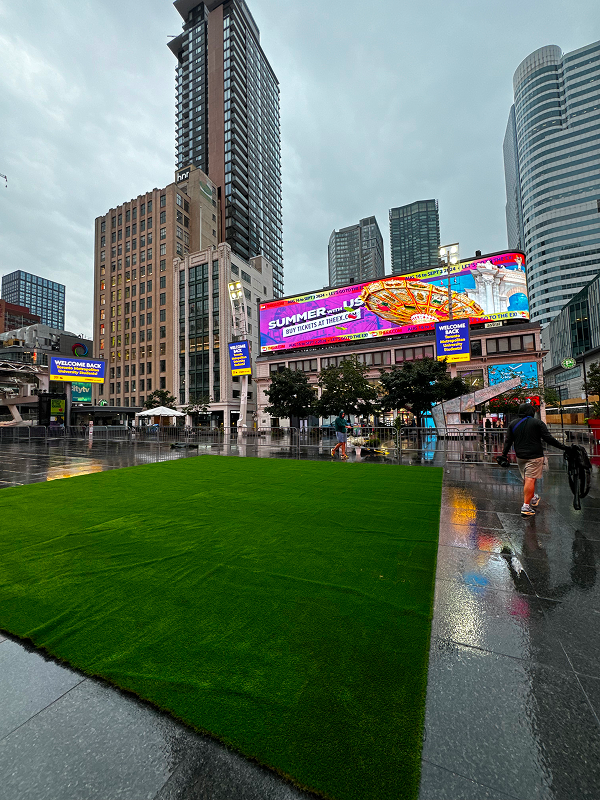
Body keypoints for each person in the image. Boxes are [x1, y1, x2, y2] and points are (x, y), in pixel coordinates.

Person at [499, 403, 569, 517]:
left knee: (528, 478)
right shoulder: (537, 423)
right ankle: (526, 506)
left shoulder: (513, 424)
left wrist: (504, 455)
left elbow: (508, 441)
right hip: (535, 456)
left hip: (520, 456)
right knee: (530, 478)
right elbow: (548, 439)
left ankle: (533, 497)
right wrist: (564, 447)